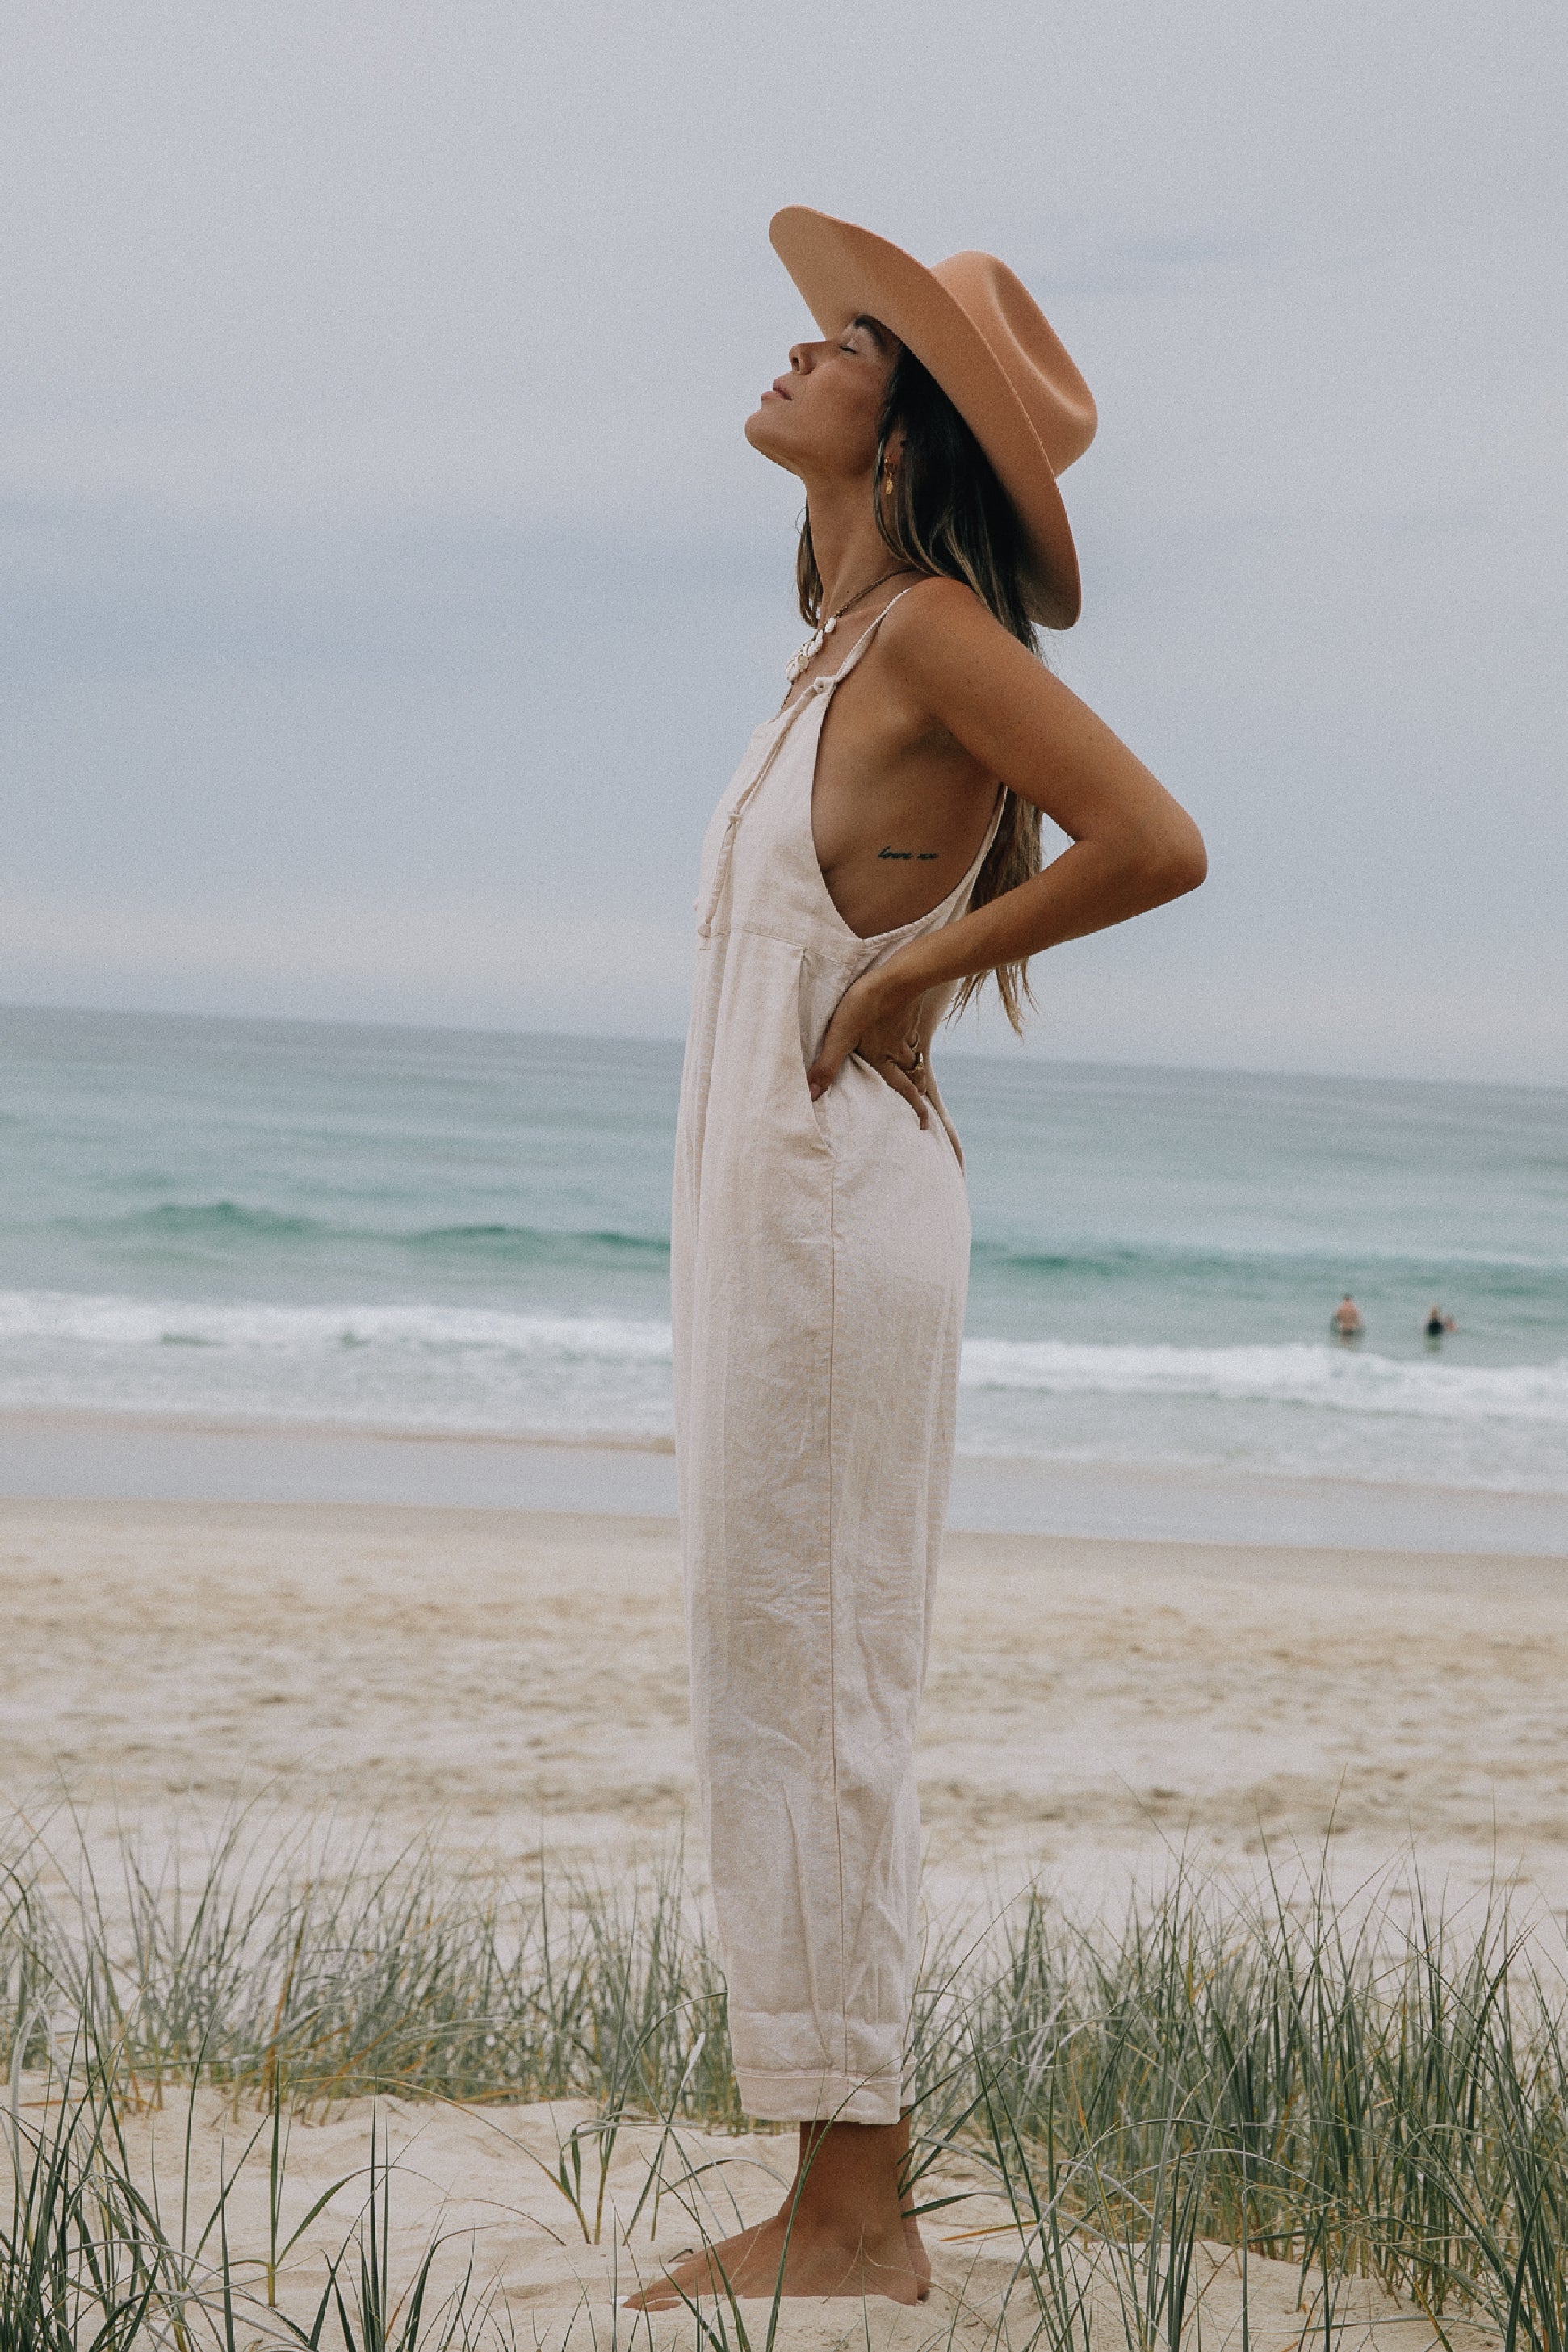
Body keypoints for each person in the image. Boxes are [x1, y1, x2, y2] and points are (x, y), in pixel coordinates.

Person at [642, 208, 1205, 2312]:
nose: (798, 355)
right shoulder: (840, 644)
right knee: (768, 1670)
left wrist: (923, 978)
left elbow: (1162, 838)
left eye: (847, 346)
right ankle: (828, 2180)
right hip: (768, 1210)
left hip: (826, 1209)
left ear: (910, 430)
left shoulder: (939, 633)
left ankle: (855, 2210)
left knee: (824, 1676)